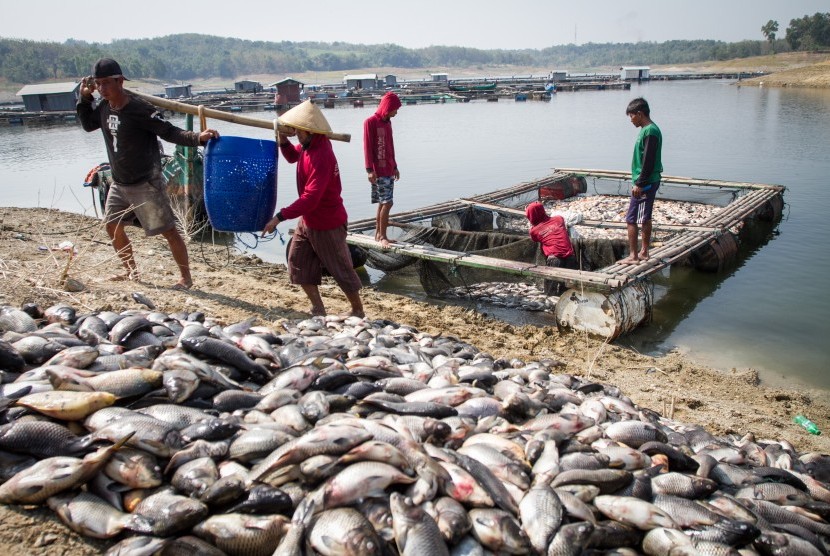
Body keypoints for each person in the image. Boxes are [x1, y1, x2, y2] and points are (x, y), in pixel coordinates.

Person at [77, 58, 219, 290]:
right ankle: (131, 272)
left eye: (106, 83)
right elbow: (88, 124)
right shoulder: (104, 106)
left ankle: (186, 278)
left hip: (145, 183)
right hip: (119, 182)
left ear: (120, 81)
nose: (102, 89)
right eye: (98, 84)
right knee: (112, 225)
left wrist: (197, 138)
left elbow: (169, 132)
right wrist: (85, 98)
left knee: (168, 231)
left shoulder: (140, 109)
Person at [263, 100, 364, 318]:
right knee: (298, 262)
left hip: (327, 221)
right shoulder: (309, 146)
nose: (296, 133)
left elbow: (311, 198)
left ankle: (357, 310)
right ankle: (318, 308)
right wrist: (282, 140)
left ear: (308, 130)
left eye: (298, 130)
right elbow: (292, 157)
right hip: (308, 220)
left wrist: (279, 217)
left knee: (340, 268)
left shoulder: (321, 154)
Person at [620, 97, 662, 265]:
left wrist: (640, 183)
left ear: (640, 114)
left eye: (631, 116)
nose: (631, 120)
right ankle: (644, 251)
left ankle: (634, 255)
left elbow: (648, 160)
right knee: (645, 216)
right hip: (648, 181)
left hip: (646, 183)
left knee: (632, 219)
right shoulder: (648, 130)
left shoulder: (650, 131)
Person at [363, 91, 402, 248]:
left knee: (382, 202)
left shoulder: (387, 123)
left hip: (388, 168)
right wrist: (368, 170)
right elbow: (367, 147)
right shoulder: (370, 122)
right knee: (387, 202)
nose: (396, 112)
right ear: (388, 107)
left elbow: (390, 145)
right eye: (395, 109)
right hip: (378, 170)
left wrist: (395, 166)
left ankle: (378, 234)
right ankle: (383, 236)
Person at [526, 201, 577, 296]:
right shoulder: (559, 219)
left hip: (555, 260)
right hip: (570, 258)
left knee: (550, 292)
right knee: (566, 291)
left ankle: (549, 308)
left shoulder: (534, 231)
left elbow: (535, 238)